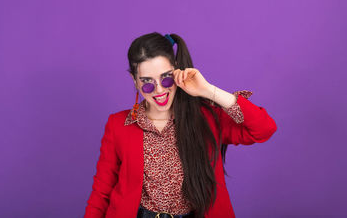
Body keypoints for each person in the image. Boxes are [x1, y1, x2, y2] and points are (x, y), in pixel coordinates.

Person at [84, 32, 277, 218]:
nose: (159, 90)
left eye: (166, 78)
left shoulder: (206, 118)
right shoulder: (118, 125)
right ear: (135, 81)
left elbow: (264, 129)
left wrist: (208, 90)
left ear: (177, 72)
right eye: (147, 82)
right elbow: (101, 192)